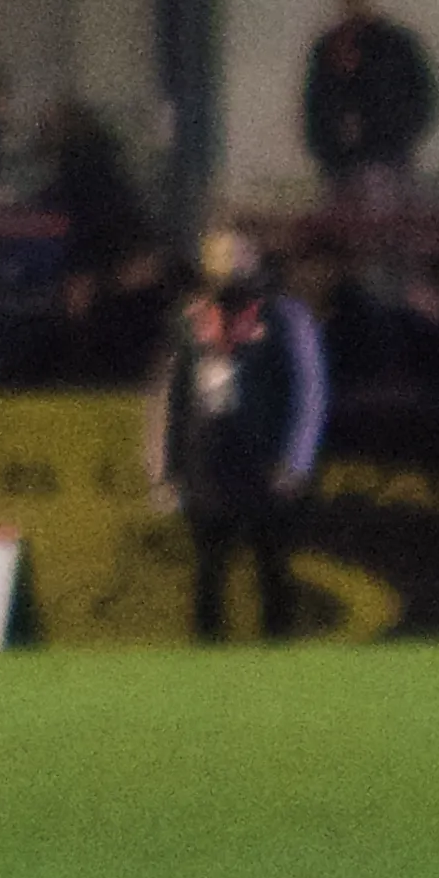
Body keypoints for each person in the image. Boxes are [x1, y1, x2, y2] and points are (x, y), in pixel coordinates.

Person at [148, 227, 329, 642]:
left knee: (273, 569)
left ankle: (277, 666)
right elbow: (168, 397)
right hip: (206, 465)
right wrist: (165, 470)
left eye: (238, 253)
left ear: (255, 257)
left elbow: (309, 393)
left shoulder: (285, 316)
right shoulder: (189, 318)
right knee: (208, 573)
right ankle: (208, 675)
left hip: (267, 465)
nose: (229, 262)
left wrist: (296, 461)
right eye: (219, 253)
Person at [297, 0, 439, 219]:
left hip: (387, 161)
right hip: (338, 166)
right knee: (340, 234)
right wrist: (325, 145)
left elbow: (424, 98)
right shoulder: (328, 47)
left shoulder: (396, 45)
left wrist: (395, 134)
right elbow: (314, 105)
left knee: (383, 228)